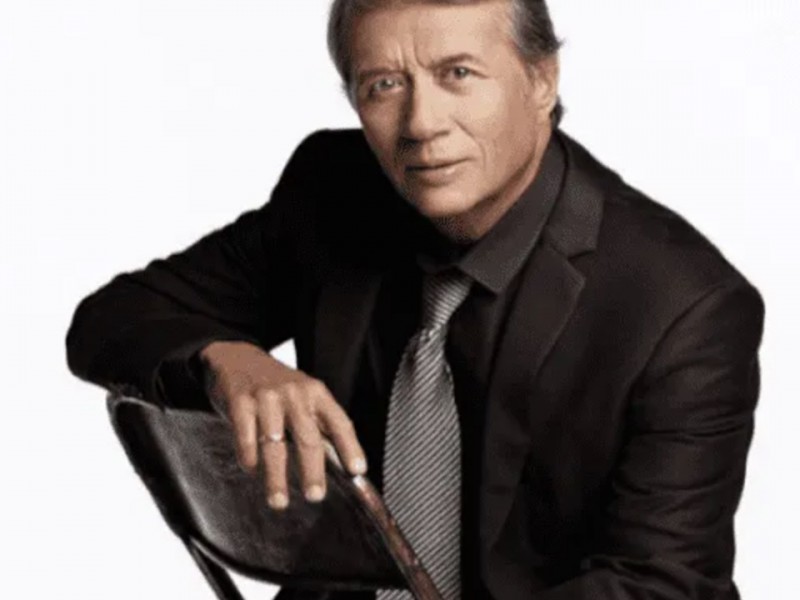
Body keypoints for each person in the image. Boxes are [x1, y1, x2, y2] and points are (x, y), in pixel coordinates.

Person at [65, 0, 765, 598]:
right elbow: (109, 321)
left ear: (541, 79)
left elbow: (658, 587)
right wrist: (227, 361)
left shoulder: (683, 307)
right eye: (384, 85)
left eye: (457, 74)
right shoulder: (332, 193)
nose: (421, 123)